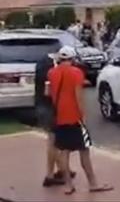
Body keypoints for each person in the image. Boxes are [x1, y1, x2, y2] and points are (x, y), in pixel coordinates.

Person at [48, 46, 113, 195]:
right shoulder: (76, 73)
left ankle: (68, 185)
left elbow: (50, 93)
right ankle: (93, 183)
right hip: (74, 117)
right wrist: (83, 115)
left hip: (60, 117)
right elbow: (78, 97)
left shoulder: (52, 73)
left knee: (64, 151)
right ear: (72, 59)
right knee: (84, 150)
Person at [35, 52, 76, 187]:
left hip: (42, 106)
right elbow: (48, 92)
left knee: (54, 141)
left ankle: (62, 170)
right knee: (53, 142)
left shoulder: (43, 64)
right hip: (49, 108)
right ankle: (50, 175)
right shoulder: (50, 69)